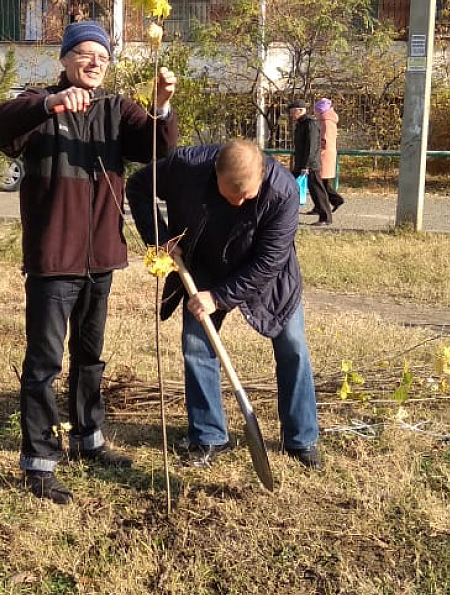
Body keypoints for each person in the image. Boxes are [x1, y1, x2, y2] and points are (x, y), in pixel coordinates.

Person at [0, 20, 179, 504]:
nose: (95, 63)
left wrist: (160, 106)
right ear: (66, 59)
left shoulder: (116, 109)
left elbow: (158, 149)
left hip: (101, 259)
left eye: (103, 57)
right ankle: (39, 462)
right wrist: (50, 104)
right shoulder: (39, 105)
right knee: (44, 363)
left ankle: (88, 439)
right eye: (86, 54)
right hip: (54, 261)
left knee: (90, 357)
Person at [126, 140, 322, 471]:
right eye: (231, 194)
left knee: (293, 346)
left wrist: (218, 297)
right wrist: (159, 238)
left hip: (268, 278)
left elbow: (269, 262)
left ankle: (301, 438)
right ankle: (209, 436)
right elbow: (138, 186)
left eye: (247, 195)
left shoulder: (283, 191)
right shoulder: (186, 166)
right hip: (203, 267)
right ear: (215, 173)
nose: (239, 202)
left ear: (261, 174)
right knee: (197, 346)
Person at [288, 101, 332, 226]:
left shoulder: (310, 124)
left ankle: (326, 217)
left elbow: (312, 147)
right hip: (300, 163)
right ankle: (286, 214)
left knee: (317, 190)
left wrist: (306, 165)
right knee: (290, 187)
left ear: (300, 110)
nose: (291, 115)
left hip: (310, 164)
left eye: (293, 112)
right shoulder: (300, 124)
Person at [313, 98, 345, 214]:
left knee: (319, 182)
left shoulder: (326, 122)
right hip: (327, 153)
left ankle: (334, 200)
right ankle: (321, 205)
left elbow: (324, 140)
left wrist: (316, 149)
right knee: (320, 182)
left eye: (316, 110)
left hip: (324, 154)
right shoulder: (328, 121)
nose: (315, 113)